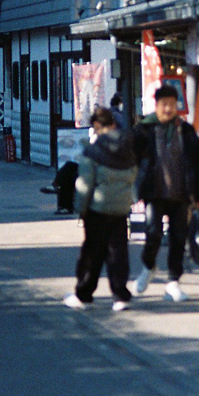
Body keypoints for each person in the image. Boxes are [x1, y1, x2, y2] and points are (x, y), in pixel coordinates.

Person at [132, 84, 199, 302]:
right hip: (154, 192)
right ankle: (148, 266)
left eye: (172, 104)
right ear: (156, 105)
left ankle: (173, 282)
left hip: (181, 193)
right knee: (153, 233)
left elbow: (197, 164)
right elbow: (132, 162)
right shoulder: (144, 130)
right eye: (164, 104)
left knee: (178, 238)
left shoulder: (186, 130)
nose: (168, 108)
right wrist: (133, 191)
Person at [64, 107, 138, 311]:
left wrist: (80, 207)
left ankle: (84, 294)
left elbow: (84, 184)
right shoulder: (127, 148)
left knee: (92, 253)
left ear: (96, 126)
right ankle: (120, 295)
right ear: (113, 124)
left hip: (98, 209)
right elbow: (133, 176)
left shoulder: (93, 151)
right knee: (118, 253)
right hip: (121, 208)